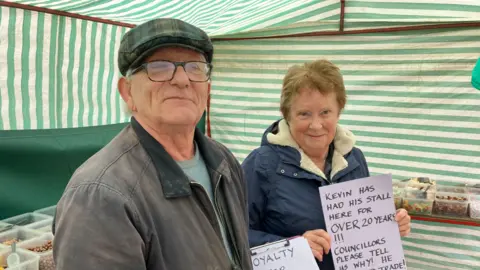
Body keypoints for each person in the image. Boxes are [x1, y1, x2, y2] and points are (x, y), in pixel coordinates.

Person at [53, 18, 252, 270]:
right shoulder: (101, 194)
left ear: (208, 88)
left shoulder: (223, 161)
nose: (182, 80)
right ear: (128, 91)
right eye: (159, 67)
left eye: (195, 68)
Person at [242, 60, 411, 269]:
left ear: (339, 111)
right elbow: (233, 234)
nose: (316, 125)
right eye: (304, 114)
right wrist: (292, 247)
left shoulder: (355, 159)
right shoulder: (261, 164)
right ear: (287, 115)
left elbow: (363, 228)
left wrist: (390, 226)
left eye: (325, 112)